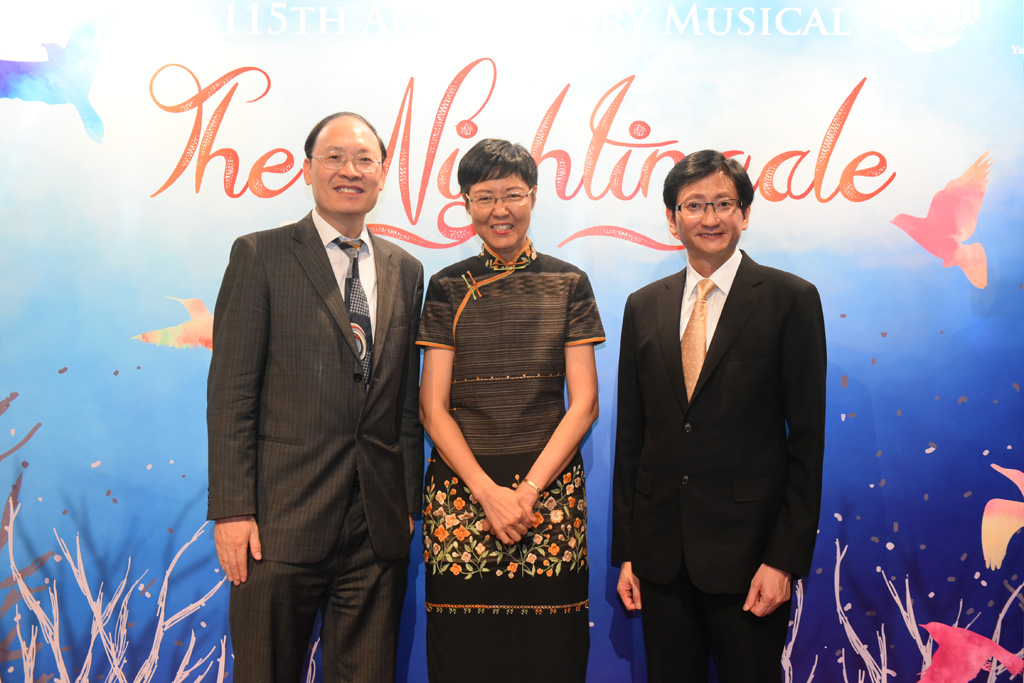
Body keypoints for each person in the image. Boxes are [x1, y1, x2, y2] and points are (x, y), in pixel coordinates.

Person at [206, 112, 424, 682]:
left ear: (383, 175)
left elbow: (404, 401)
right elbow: (231, 394)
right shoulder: (261, 254)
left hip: (376, 529)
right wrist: (232, 510)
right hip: (278, 524)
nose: (350, 170)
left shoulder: (406, 269)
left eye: (364, 159)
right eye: (334, 157)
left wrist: (406, 503)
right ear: (308, 169)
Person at [612, 150, 827, 682]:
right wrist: (630, 552)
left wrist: (783, 560)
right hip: (661, 559)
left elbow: (807, 441)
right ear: (672, 219)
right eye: (694, 205)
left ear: (745, 213)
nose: (709, 218)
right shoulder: (643, 305)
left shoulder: (790, 299)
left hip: (751, 560)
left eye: (723, 204)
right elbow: (632, 437)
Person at [417, 138, 604, 682]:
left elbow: (584, 404)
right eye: (484, 197)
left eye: (513, 194)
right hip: (462, 491)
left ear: (534, 197)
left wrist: (526, 494)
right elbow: (432, 409)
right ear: (466, 204)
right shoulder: (446, 286)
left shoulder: (569, 282)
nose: (500, 210)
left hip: (549, 492)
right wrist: (487, 493)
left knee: (551, 654)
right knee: (463, 655)